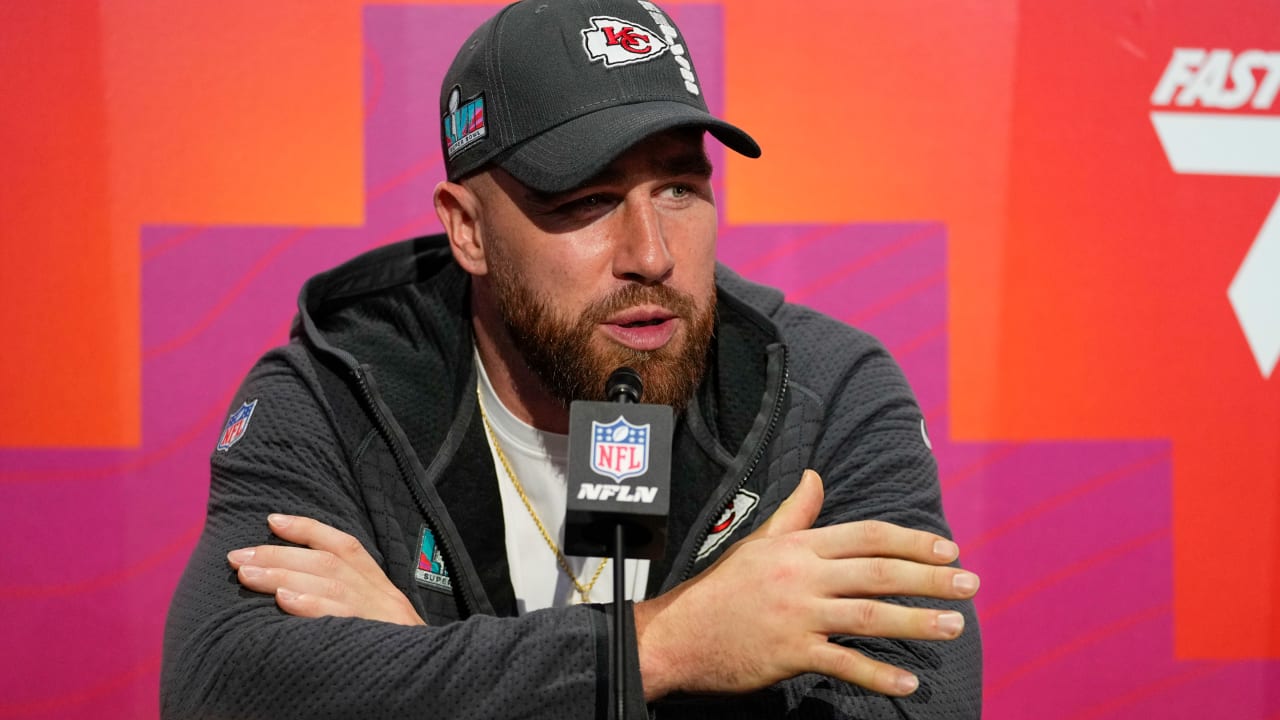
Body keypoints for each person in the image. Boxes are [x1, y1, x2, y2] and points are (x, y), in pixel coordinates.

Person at [160, 0, 983, 717]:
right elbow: (221, 690)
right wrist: (662, 651)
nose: (652, 255)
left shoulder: (822, 389)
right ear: (468, 230)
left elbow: (921, 702)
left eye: (679, 190)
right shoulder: (338, 390)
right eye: (587, 201)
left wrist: (420, 669)